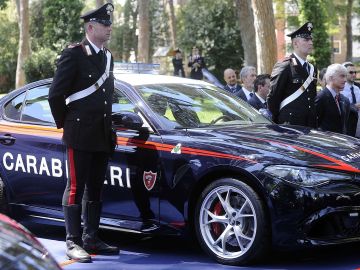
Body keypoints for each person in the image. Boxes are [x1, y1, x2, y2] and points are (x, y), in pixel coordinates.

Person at [48, 3, 119, 262]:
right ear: (91, 27)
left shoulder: (108, 56)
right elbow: (56, 94)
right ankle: (72, 241)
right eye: (105, 24)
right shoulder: (74, 54)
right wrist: (67, 123)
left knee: (96, 188)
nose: (109, 28)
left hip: (100, 133)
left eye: (109, 23)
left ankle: (91, 237)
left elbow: (106, 97)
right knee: (76, 187)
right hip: (79, 132)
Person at [267, 22, 318, 128]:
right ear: (295, 43)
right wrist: (278, 122)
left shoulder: (312, 69)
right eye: (306, 40)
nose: (311, 43)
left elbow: (311, 97)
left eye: (311, 39)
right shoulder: (285, 65)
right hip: (290, 124)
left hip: (309, 124)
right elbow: (273, 98)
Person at [315, 64, 350, 134]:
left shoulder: (344, 100)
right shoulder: (321, 97)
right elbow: (313, 124)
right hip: (324, 142)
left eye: (346, 76)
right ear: (331, 78)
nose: (345, 80)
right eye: (342, 76)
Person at [341, 62, 360, 137]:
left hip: (358, 125)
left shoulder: (357, 89)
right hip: (346, 125)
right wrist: (354, 106)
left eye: (355, 72)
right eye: (351, 72)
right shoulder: (341, 88)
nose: (354, 74)